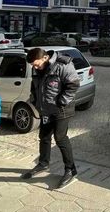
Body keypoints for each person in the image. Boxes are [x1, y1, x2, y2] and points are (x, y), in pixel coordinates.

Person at [21, 48, 80, 189]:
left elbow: (73, 84)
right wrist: (35, 101)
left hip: (61, 109)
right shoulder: (37, 68)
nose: (35, 68)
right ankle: (43, 163)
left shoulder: (63, 65)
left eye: (36, 64)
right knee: (44, 136)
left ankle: (71, 170)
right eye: (33, 65)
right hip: (46, 109)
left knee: (60, 138)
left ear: (45, 58)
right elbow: (35, 86)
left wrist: (62, 101)